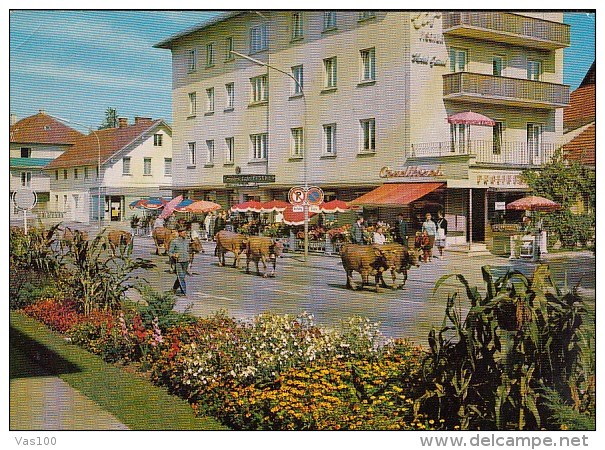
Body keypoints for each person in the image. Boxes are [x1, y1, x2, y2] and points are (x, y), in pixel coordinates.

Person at [168, 227, 190, 296]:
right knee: (181, 276)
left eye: (185, 233)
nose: (185, 234)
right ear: (180, 233)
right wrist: (174, 255)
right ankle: (184, 292)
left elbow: (188, 250)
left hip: (186, 261)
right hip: (178, 262)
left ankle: (174, 289)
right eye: (184, 233)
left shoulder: (187, 241)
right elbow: (169, 252)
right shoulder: (174, 241)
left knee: (181, 276)